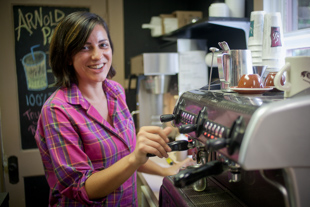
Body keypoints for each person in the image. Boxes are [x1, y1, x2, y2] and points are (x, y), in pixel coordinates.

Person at [35, 11, 194, 206]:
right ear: (68, 57)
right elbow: (81, 188)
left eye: (103, 45)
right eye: (85, 47)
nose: (97, 55)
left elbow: (125, 154)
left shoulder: (115, 91)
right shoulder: (57, 110)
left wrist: (166, 169)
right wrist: (135, 158)